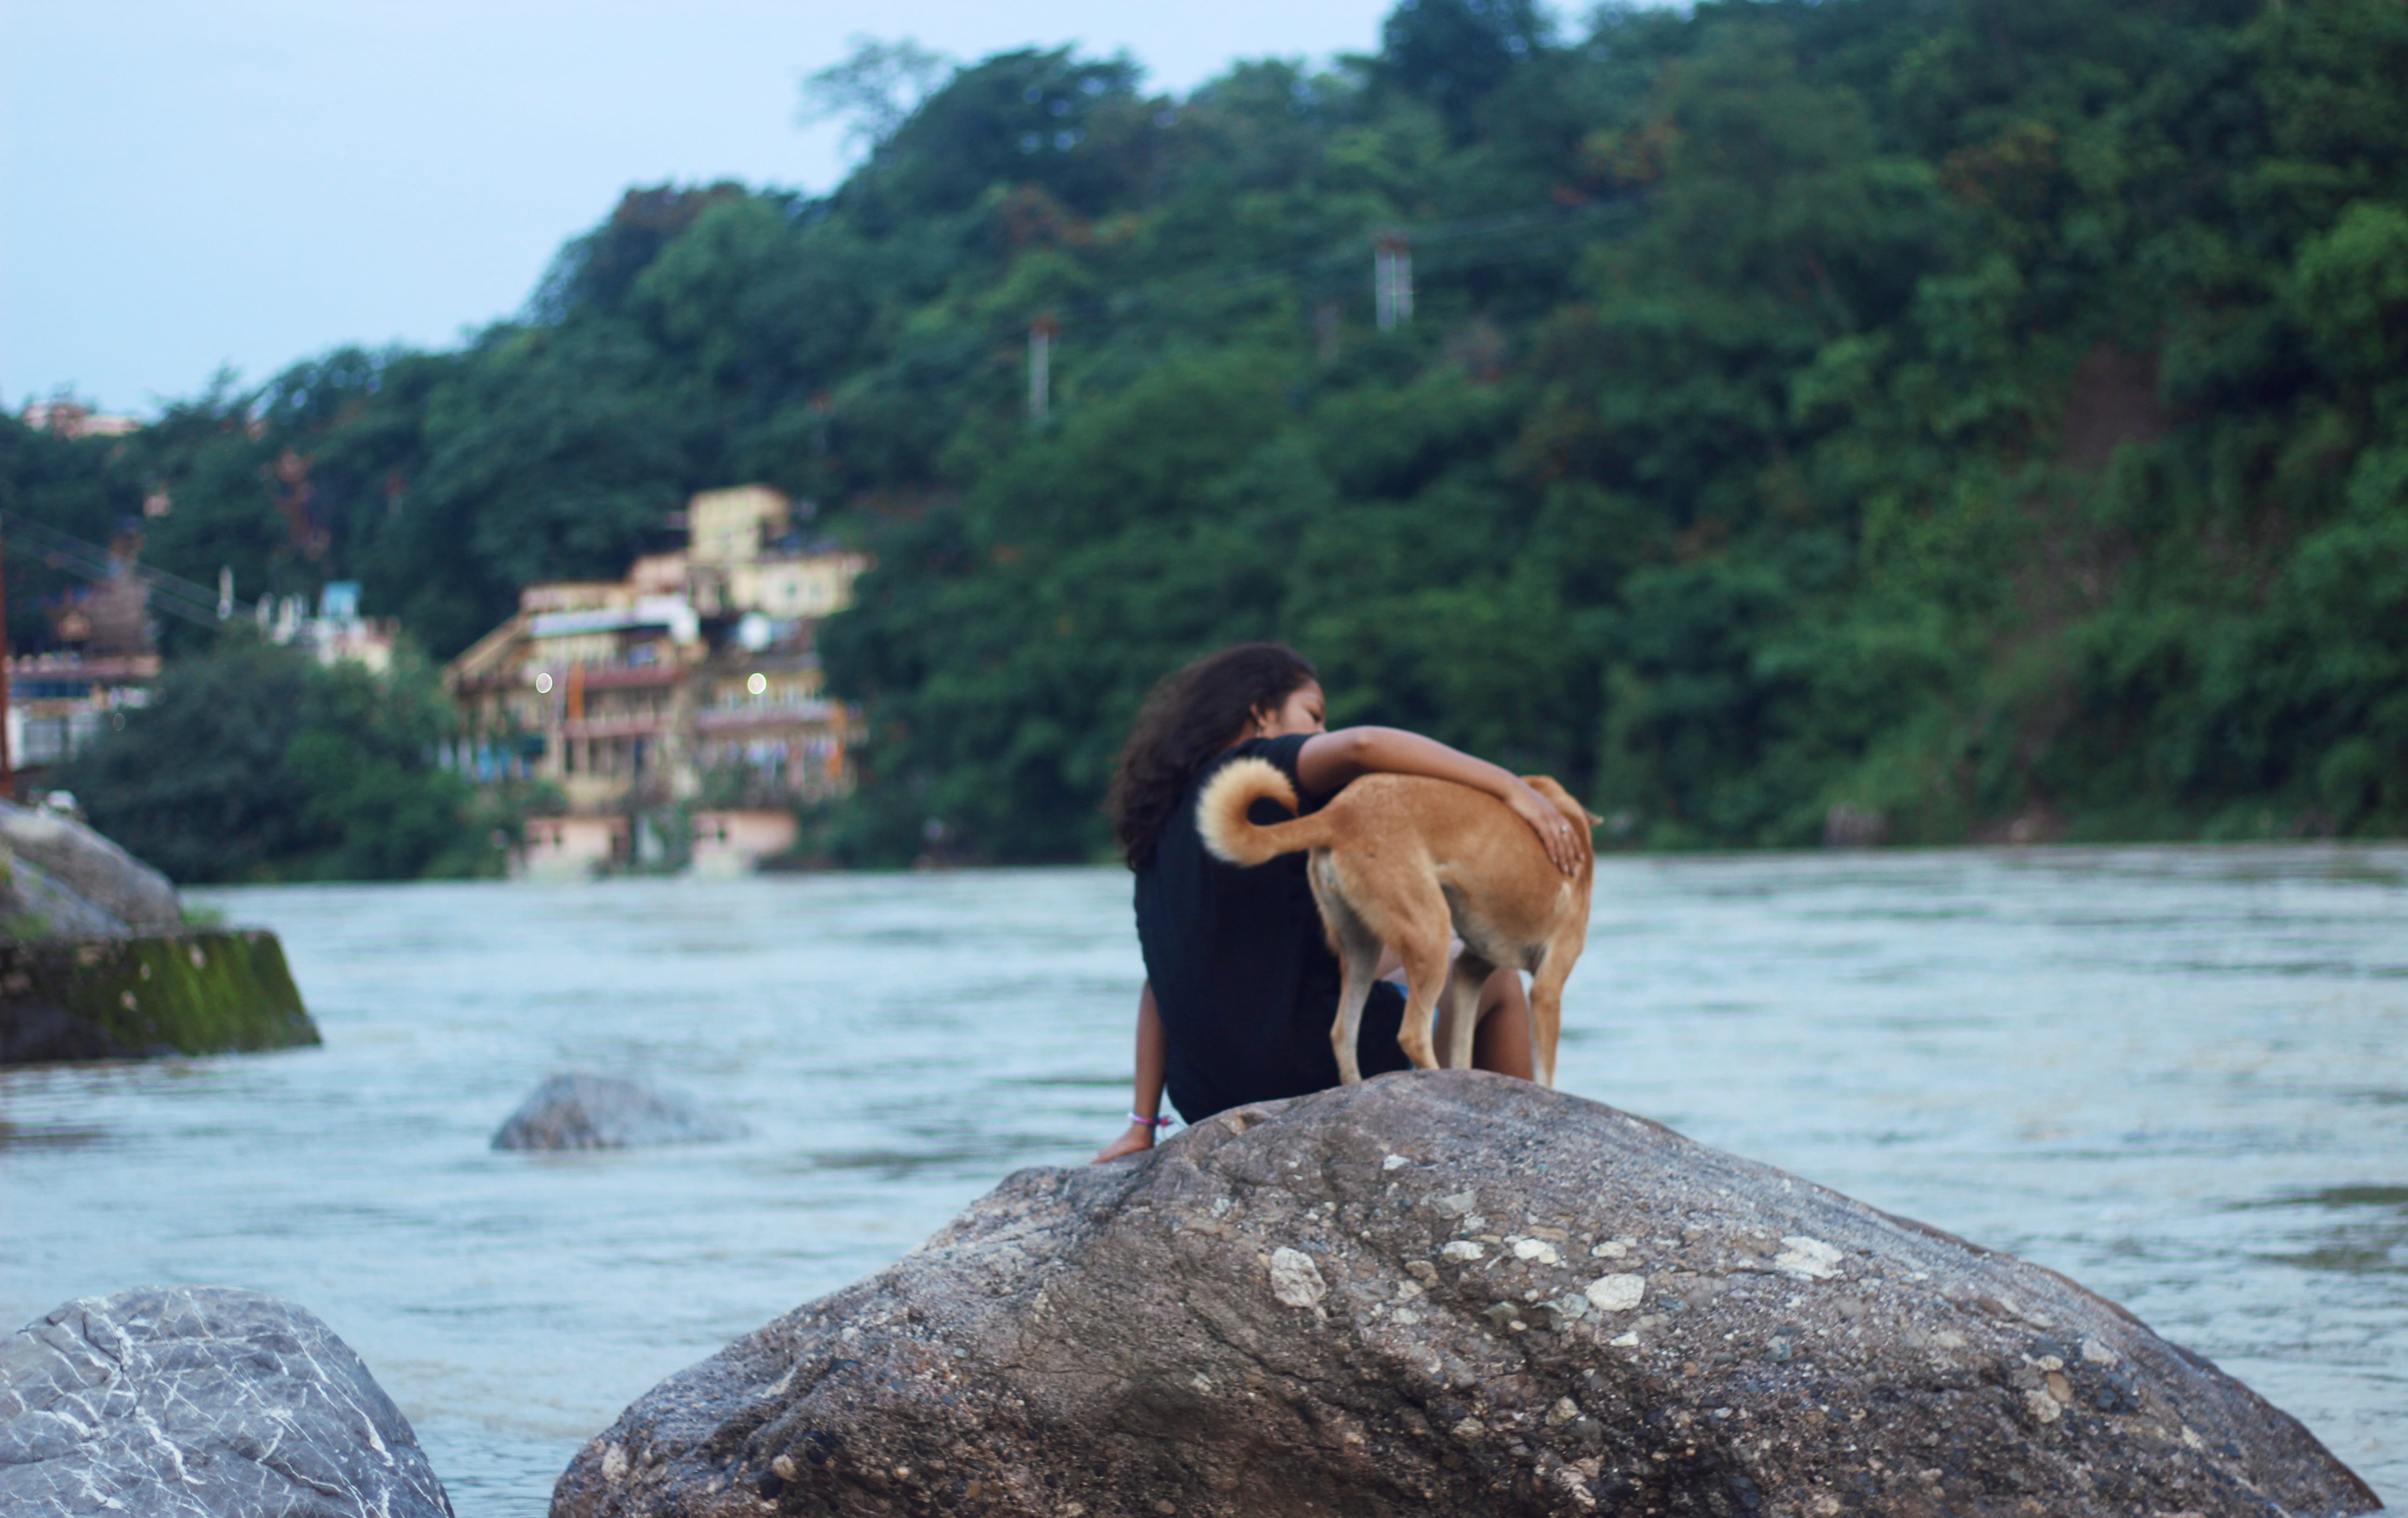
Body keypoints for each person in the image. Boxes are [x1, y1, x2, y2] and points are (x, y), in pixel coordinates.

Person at [1092, 642, 1583, 1163]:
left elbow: (1162, 984)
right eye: (1313, 715)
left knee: (1427, 955)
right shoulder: (1250, 771)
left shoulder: (1159, 828)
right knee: (1493, 974)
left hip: (1210, 1098)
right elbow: (1363, 746)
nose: (1320, 734)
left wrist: (1142, 1125)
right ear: (1261, 713)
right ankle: (1527, 1156)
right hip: (1310, 1072)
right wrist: (1512, 789)